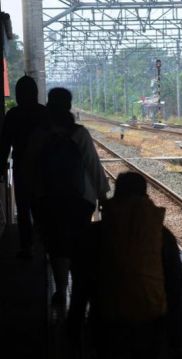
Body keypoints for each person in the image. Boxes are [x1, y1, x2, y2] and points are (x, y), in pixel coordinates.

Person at [68, 172, 182, 359]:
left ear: (116, 195)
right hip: (151, 325)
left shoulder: (94, 234)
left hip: (107, 324)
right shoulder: (162, 235)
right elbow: (175, 290)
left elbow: (80, 288)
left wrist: (73, 331)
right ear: (145, 196)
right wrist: (177, 340)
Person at [33, 87, 109, 305]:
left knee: (56, 244)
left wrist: (35, 195)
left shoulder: (40, 134)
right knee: (78, 245)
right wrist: (103, 194)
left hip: (49, 200)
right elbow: (93, 165)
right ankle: (80, 293)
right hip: (81, 200)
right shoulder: (79, 133)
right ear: (69, 106)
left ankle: (61, 288)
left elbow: (30, 166)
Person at [0, 76, 47, 258]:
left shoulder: (13, 115)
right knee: (41, 208)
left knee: (23, 209)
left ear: (18, 95)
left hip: (21, 169)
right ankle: (43, 244)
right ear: (35, 93)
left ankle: (27, 246)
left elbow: (4, 145)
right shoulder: (44, 113)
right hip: (44, 170)